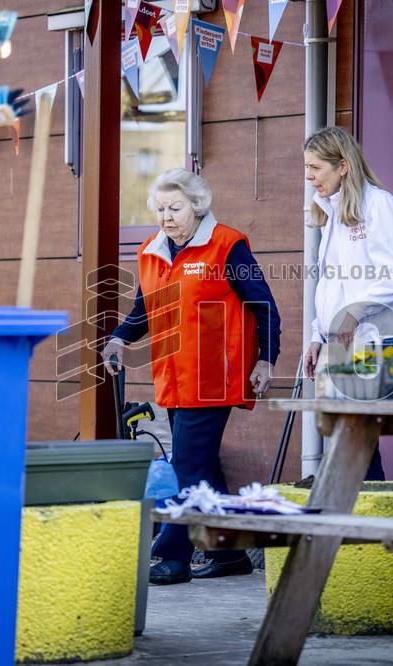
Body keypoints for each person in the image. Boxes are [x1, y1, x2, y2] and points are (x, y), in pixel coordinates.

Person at [101, 168, 281, 585]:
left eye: (176, 208)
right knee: (202, 467)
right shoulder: (151, 251)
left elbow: (264, 306)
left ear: (197, 207)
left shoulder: (228, 246)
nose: (167, 216)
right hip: (173, 376)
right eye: (161, 208)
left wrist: (266, 359)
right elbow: (144, 310)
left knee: (185, 465)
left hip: (214, 378)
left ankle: (173, 555)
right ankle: (229, 552)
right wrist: (119, 338)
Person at [301, 126, 393, 480]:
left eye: (315, 167)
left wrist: (355, 312)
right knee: (353, 443)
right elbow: (331, 285)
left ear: (343, 166)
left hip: (382, 339)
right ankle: (365, 510)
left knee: (355, 440)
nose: (309, 176)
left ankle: (367, 510)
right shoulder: (330, 213)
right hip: (345, 343)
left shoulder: (379, 205)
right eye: (306, 167)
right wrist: (317, 335)